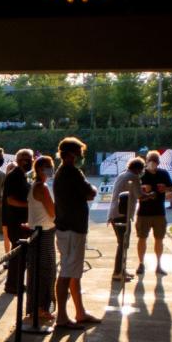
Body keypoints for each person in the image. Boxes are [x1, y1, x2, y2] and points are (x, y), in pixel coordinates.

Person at [52, 137, 100, 328]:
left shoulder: (62, 173)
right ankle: (62, 317)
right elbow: (91, 193)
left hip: (68, 227)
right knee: (67, 272)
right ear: (72, 154)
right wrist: (91, 188)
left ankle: (79, 312)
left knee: (73, 272)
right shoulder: (72, 172)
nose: (81, 155)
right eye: (79, 152)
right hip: (72, 229)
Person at [25, 155, 57, 324]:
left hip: (37, 231)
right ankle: (42, 308)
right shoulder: (42, 187)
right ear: (39, 169)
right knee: (46, 271)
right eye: (49, 166)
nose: (51, 169)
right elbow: (52, 212)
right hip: (44, 233)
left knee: (36, 271)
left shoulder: (34, 186)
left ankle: (36, 307)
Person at [135, 150, 172, 276]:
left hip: (159, 212)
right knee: (142, 238)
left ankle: (159, 265)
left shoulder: (163, 173)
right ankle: (141, 263)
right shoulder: (141, 174)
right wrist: (142, 189)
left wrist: (165, 189)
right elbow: (134, 189)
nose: (153, 163)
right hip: (143, 212)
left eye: (155, 161)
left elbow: (171, 187)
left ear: (158, 162)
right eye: (151, 160)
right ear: (146, 161)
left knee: (159, 239)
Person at [107, 157, 145, 282]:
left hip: (115, 212)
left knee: (123, 243)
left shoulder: (123, 174)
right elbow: (140, 195)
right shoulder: (134, 177)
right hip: (122, 213)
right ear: (138, 169)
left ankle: (121, 270)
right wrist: (151, 195)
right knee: (123, 244)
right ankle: (118, 272)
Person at [1, 149, 32, 294]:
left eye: (30, 158)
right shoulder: (14, 176)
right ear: (18, 160)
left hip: (22, 221)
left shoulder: (22, 176)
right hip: (15, 221)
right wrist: (30, 205)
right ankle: (12, 284)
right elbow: (10, 200)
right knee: (18, 255)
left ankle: (16, 283)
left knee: (21, 255)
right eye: (25, 158)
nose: (29, 161)